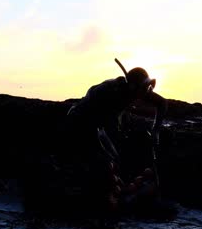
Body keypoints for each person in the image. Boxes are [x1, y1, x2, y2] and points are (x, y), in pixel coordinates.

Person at [65, 61, 167, 213]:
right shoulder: (109, 94)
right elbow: (100, 129)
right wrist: (109, 156)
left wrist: (156, 130)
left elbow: (162, 103)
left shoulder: (139, 89)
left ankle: (121, 189)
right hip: (82, 122)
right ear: (133, 88)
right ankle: (103, 199)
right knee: (107, 159)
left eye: (148, 88)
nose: (147, 94)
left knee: (117, 156)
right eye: (144, 90)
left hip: (107, 122)